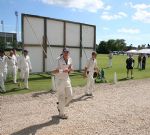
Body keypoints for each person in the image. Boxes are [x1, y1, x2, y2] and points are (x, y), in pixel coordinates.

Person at [52, 48, 73, 119]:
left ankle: (59, 106)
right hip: (59, 80)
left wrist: (70, 70)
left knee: (70, 96)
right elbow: (53, 71)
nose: (66, 53)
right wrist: (63, 70)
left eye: (67, 52)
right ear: (63, 52)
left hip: (67, 79)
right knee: (61, 97)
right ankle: (61, 114)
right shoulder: (58, 60)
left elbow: (70, 68)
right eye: (65, 52)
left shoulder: (70, 59)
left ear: (69, 53)